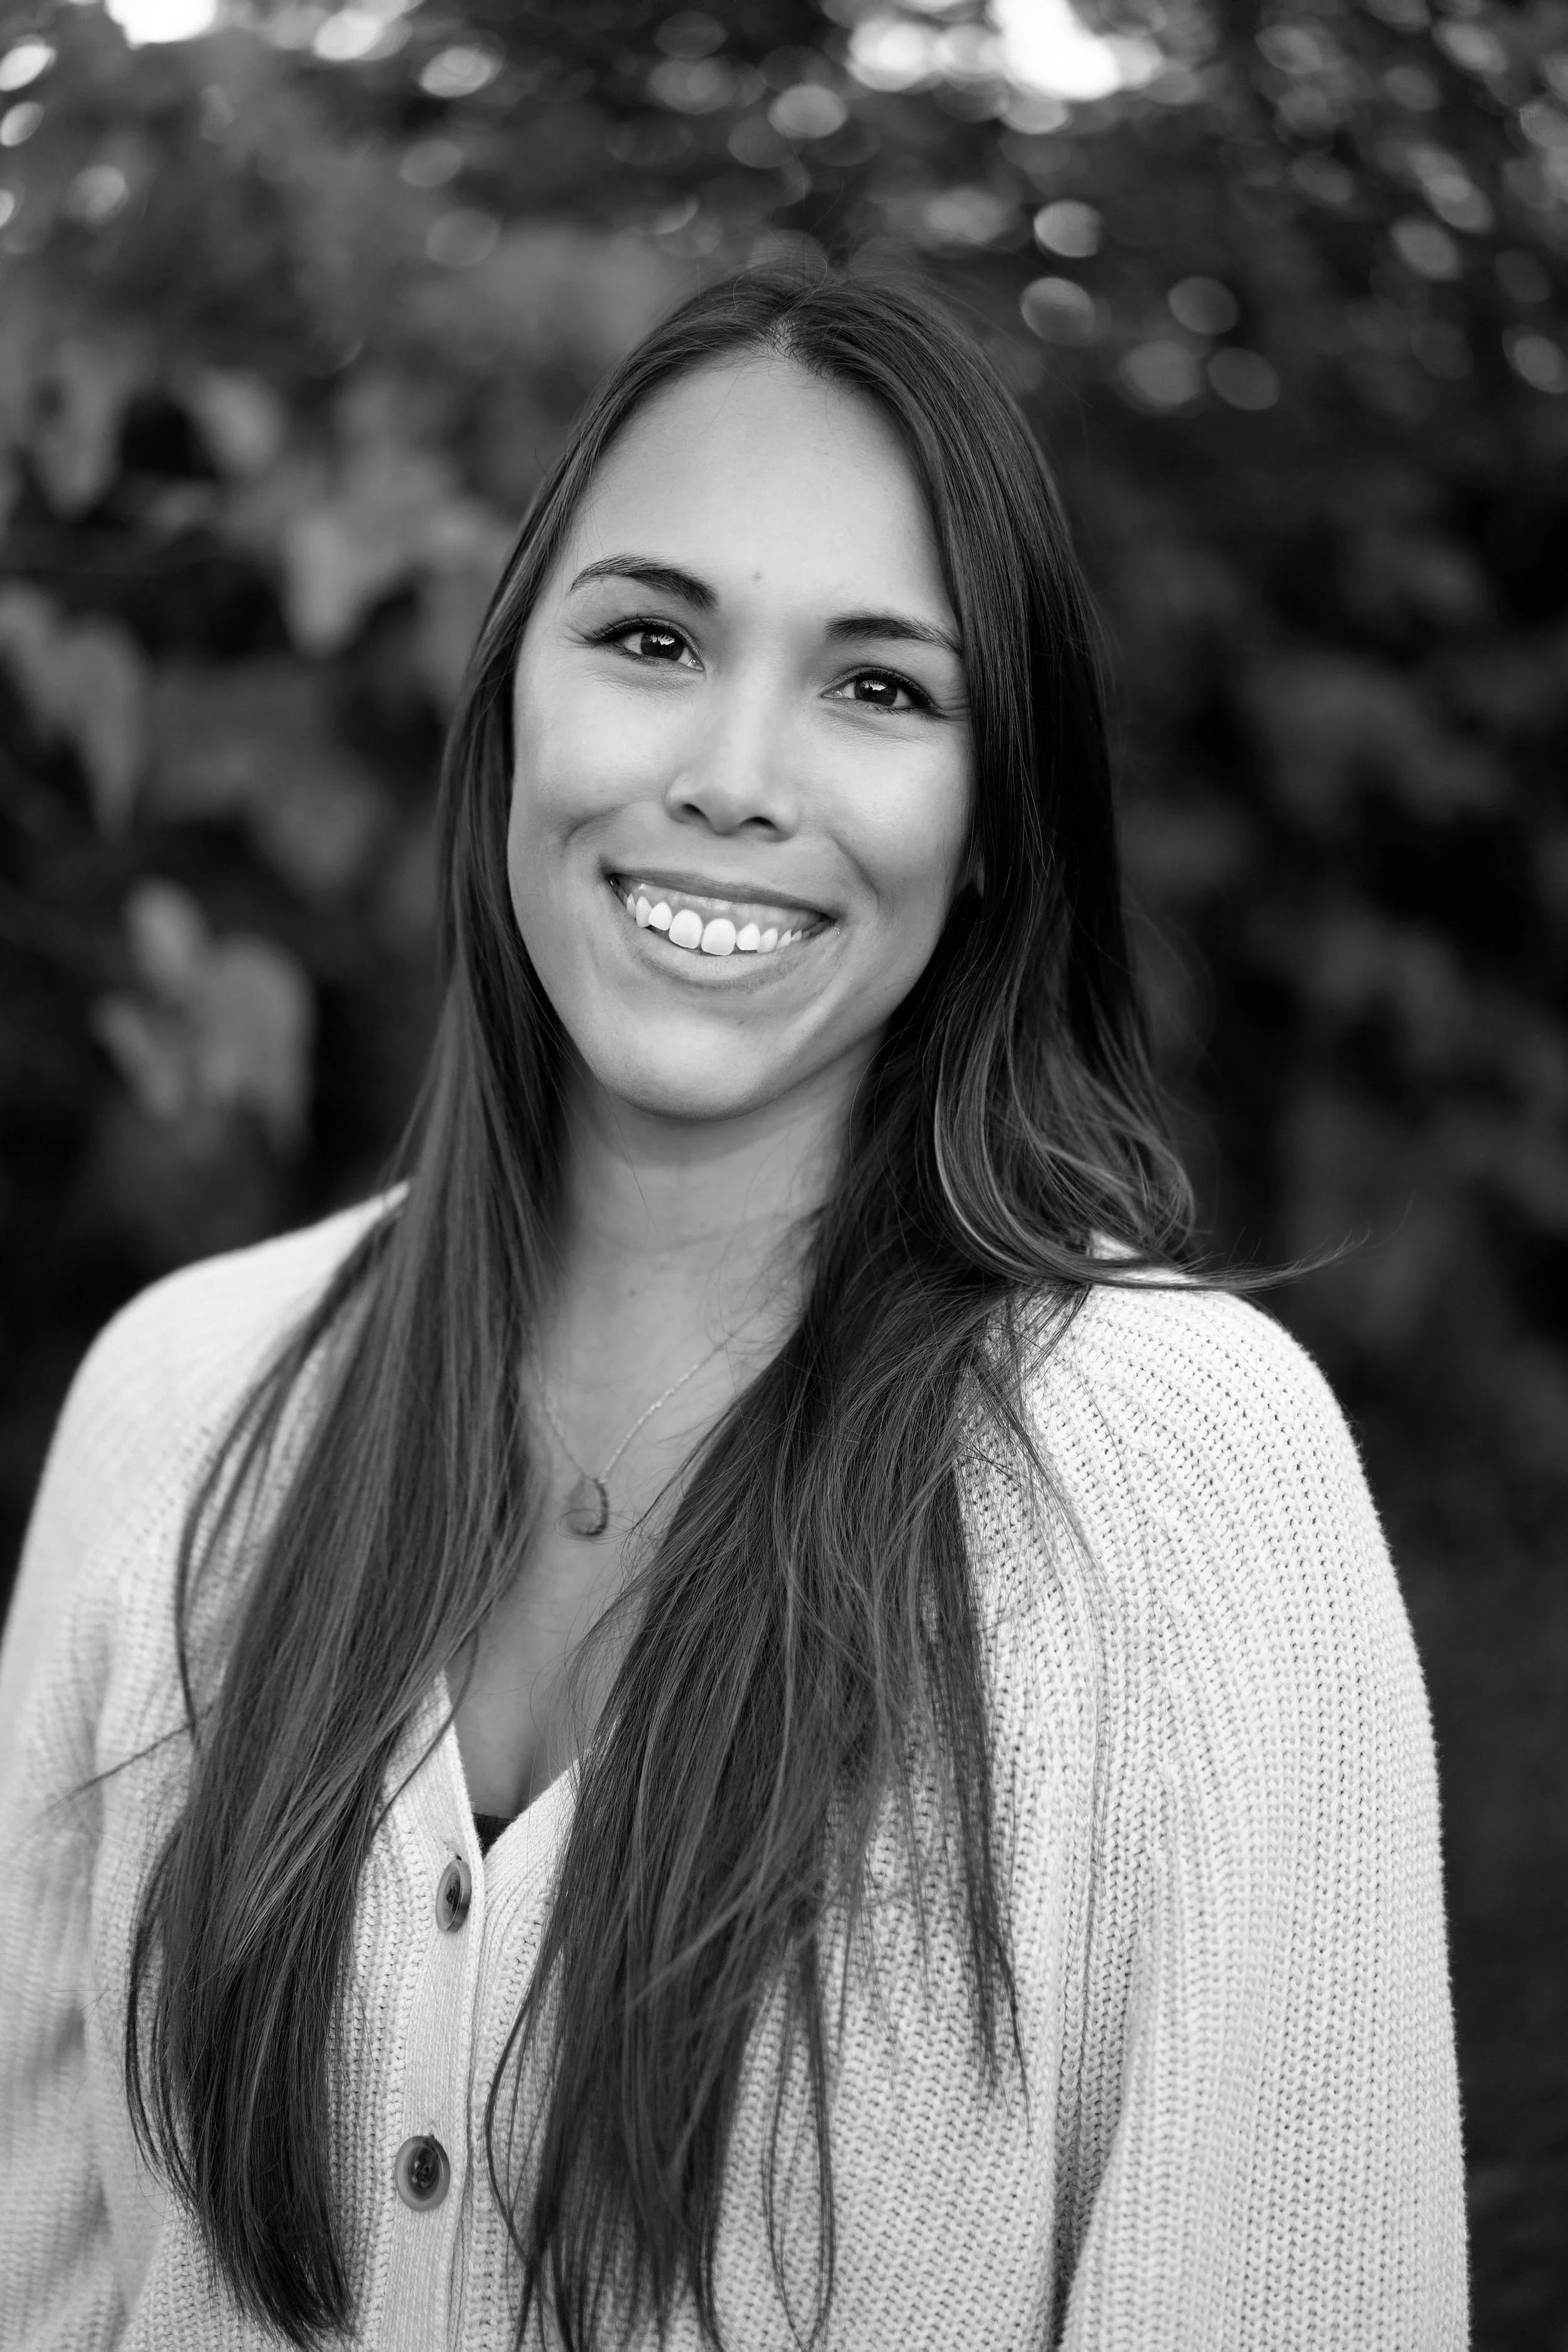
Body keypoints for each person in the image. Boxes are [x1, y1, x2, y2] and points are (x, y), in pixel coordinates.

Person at [0, 270, 1466, 2351]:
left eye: (878, 689)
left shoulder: (1177, 1483)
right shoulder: (179, 1399)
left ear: (986, 832)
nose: (734, 773)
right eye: (652, 638)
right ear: (515, 691)